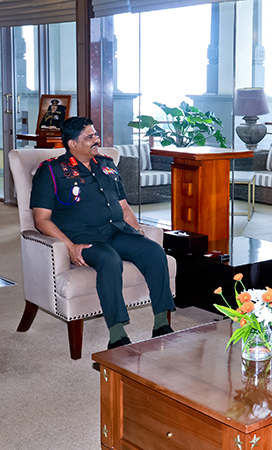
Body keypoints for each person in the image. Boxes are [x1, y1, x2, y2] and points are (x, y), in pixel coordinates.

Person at [30, 116, 176, 349]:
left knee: (154, 252)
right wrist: (69, 247)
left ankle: (161, 324)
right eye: (90, 137)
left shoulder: (107, 164)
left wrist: (138, 232)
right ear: (72, 144)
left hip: (116, 231)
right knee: (109, 260)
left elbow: (124, 207)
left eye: (96, 134)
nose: (97, 140)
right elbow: (41, 219)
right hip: (83, 238)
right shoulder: (51, 170)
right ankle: (117, 335)